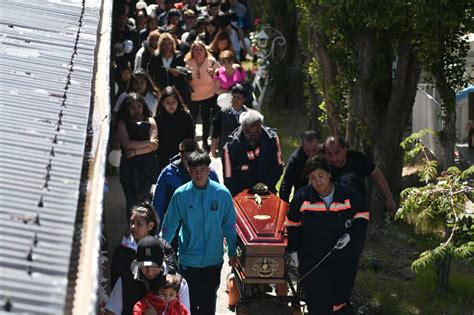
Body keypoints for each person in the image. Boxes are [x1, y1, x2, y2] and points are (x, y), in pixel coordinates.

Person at [286, 156, 369, 314]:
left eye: (321, 176)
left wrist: (350, 235)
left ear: (329, 173)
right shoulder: (302, 197)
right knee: (317, 299)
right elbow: (292, 224)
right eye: (312, 178)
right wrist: (293, 251)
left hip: (343, 257)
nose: (318, 182)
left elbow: (363, 214)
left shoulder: (347, 194)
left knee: (339, 299)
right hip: (312, 258)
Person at [160, 151, 237, 315]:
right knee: (189, 301)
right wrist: (160, 254)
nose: (198, 173)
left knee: (209, 300)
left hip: (213, 259)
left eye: (202, 169)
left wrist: (232, 252)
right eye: (194, 170)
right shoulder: (181, 194)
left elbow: (230, 226)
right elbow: (169, 227)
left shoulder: (222, 194)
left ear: (209, 170)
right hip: (188, 260)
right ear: (189, 171)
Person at [105, 236, 190, 315]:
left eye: (154, 266)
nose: (149, 272)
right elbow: (111, 312)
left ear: (161, 262)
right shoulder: (125, 282)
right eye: (144, 267)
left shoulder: (179, 283)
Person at [323, 136, 397, 214]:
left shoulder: (358, 158)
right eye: (329, 154)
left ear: (345, 150)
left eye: (337, 153)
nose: (334, 158)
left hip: (359, 209)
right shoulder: (323, 165)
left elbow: (376, 174)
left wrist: (389, 198)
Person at [152, 139, 220, 224]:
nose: (190, 163)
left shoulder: (210, 173)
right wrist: (156, 231)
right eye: (187, 159)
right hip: (175, 225)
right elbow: (158, 205)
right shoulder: (167, 174)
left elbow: (218, 202)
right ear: (181, 157)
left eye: (193, 159)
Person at [110, 203, 176, 288]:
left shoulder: (163, 247)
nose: (133, 227)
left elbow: (173, 272)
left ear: (150, 225)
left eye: (139, 224)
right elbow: (117, 281)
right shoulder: (122, 250)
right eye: (132, 222)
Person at [116, 93, 160, 217]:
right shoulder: (122, 124)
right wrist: (148, 144)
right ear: (127, 109)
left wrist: (135, 151)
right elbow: (127, 144)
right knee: (131, 202)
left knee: (144, 201)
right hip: (129, 167)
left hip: (147, 165)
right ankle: (132, 230)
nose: (136, 110)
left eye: (139, 106)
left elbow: (155, 145)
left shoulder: (150, 120)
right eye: (133, 107)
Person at [223, 109, 284, 196]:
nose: (253, 137)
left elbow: (278, 166)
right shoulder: (231, 147)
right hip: (241, 194)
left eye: (257, 133)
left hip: (267, 190)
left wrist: (266, 183)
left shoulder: (272, 140)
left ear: (261, 127)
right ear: (243, 129)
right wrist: (247, 193)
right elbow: (229, 178)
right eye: (249, 133)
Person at [184, 40, 220, 152]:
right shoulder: (187, 62)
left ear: (205, 51)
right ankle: (191, 142)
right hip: (193, 96)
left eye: (200, 49)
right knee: (192, 119)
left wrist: (214, 74)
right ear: (192, 51)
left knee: (206, 120)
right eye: (195, 49)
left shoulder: (212, 61)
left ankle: (205, 141)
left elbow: (220, 75)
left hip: (208, 95)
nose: (198, 52)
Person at [154, 86, 195, 169]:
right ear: (162, 103)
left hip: (182, 157)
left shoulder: (185, 117)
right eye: (167, 102)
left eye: (173, 102)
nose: (171, 105)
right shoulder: (157, 119)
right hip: (163, 158)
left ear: (178, 102)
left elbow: (190, 138)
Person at [147, 32, 191, 105]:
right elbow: (150, 73)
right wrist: (155, 88)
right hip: (161, 89)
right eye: (165, 44)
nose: (167, 47)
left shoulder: (179, 56)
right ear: (160, 45)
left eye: (169, 44)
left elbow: (184, 73)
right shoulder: (155, 57)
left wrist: (178, 74)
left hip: (177, 90)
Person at [279, 131, 321, 203]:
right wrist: (284, 206)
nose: (311, 154)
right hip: (301, 199)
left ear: (319, 144)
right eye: (307, 151)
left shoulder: (326, 154)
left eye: (314, 150)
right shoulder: (296, 159)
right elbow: (286, 185)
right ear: (302, 146)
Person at [211, 83, 249, 158]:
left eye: (238, 98)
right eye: (233, 96)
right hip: (225, 148)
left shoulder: (248, 114)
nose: (235, 100)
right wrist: (213, 148)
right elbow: (216, 131)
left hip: (243, 149)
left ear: (244, 99)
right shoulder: (222, 112)